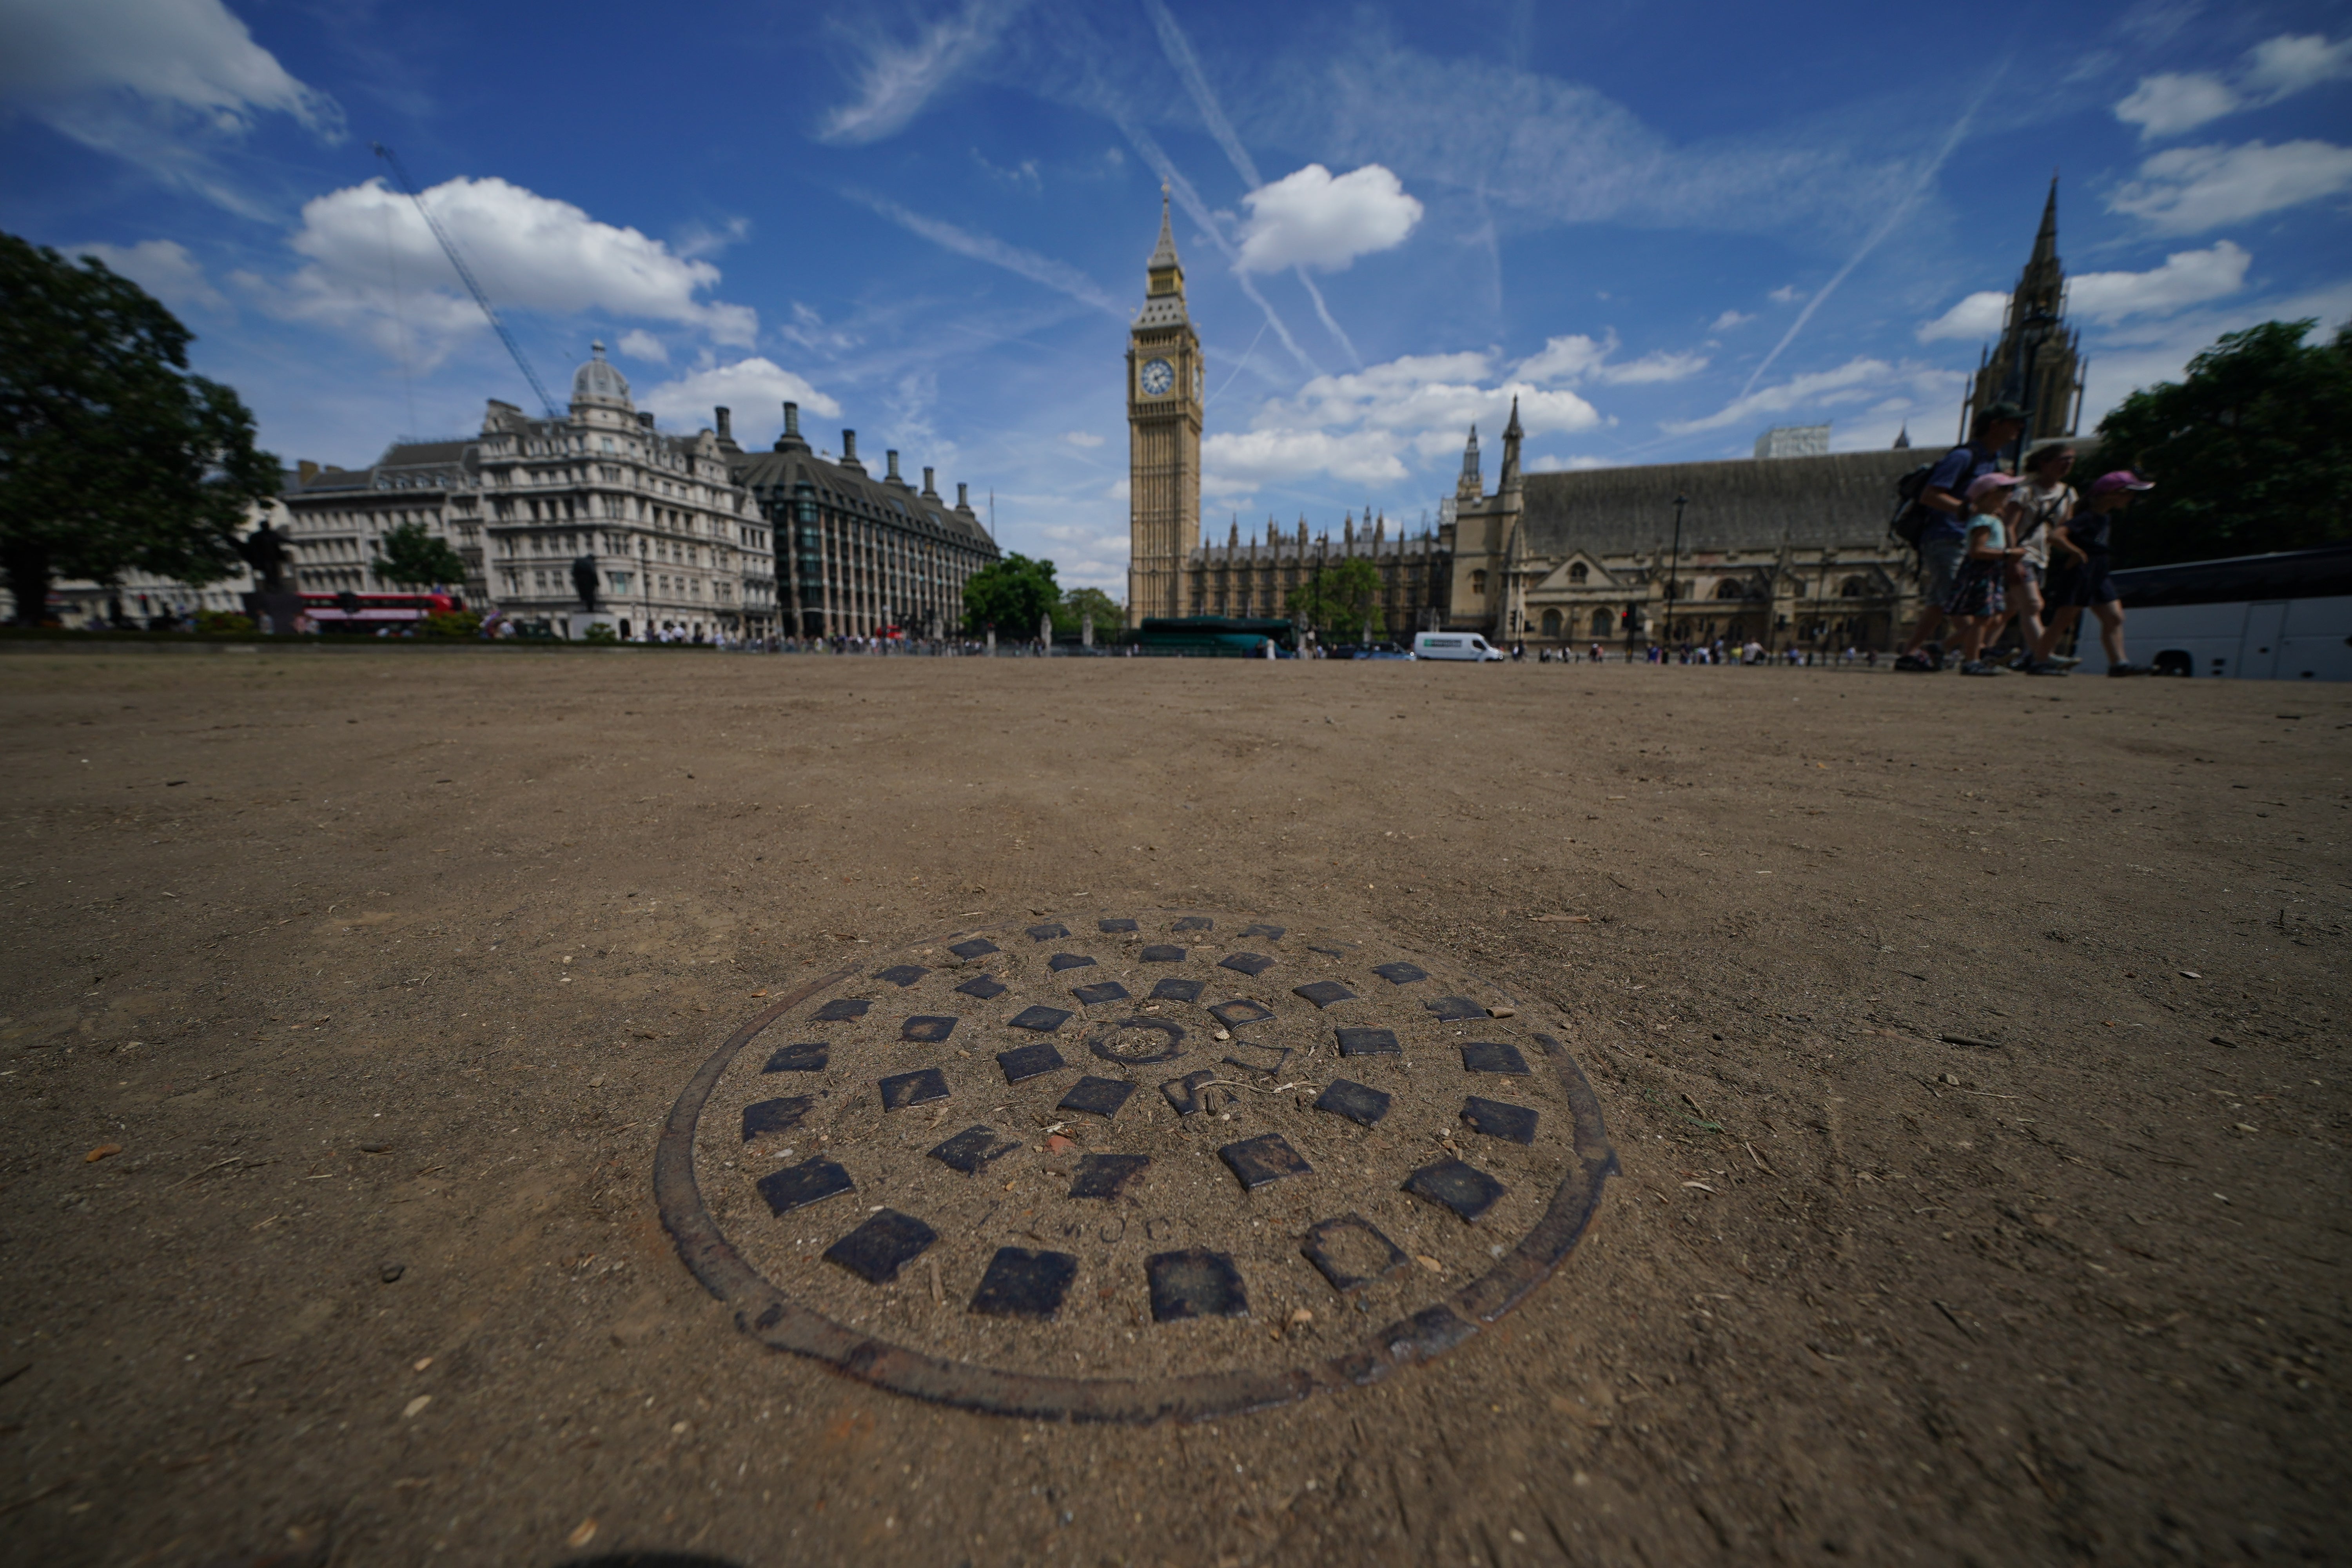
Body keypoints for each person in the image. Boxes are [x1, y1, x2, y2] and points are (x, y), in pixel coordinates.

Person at [1896, 401, 2026, 671]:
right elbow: (1929, 495)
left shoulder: (1993, 461)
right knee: (1964, 605)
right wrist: (1970, 510)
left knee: (1939, 602)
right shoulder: (1964, 457)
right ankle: (1977, 654)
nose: (2020, 429)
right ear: (1995, 426)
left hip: (1965, 539)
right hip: (1946, 535)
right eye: (2014, 423)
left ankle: (1915, 652)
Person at [2037, 470, 2154, 675]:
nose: (2131, 499)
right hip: (2081, 572)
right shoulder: (2087, 517)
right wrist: (2076, 552)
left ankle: (2119, 663)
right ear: (2111, 493)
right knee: (2063, 620)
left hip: (2099, 571)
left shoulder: (2104, 517)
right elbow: (2056, 536)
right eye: (2127, 494)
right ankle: (2039, 661)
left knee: (2115, 618)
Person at [2002, 442, 2078, 673]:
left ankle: (1966, 649)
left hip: (2043, 557)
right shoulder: (2025, 492)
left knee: (2007, 610)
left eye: (2071, 461)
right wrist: (2012, 558)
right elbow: (2009, 526)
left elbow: (2063, 529)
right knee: (2034, 605)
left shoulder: (2068, 493)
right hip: (2022, 554)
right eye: (2063, 459)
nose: (2068, 465)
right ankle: (2043, 658)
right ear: (2044, 463)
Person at [1944, 473, 2026, 675]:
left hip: (1991, 572)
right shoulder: (1983, 521)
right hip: (1981, 571)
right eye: (2007, 490)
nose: (2011, 494)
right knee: (1983, 618)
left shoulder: (1992, 518)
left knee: (1993, 619)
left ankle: (1943, 646)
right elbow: (1976, 551)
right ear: (1992, 494)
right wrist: (2009, 554)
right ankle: (1971, 661)